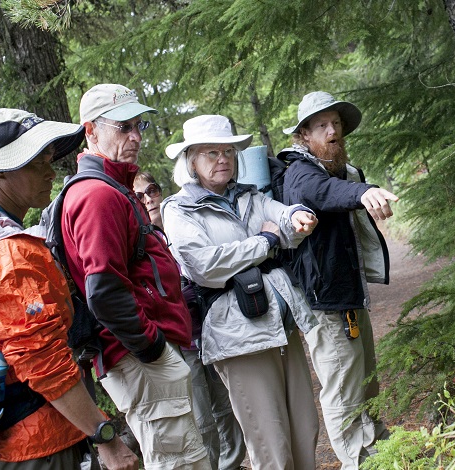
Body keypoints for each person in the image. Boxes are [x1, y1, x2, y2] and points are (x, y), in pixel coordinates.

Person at [0, 108, 139, 469]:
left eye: (49, 159)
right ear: (1, 170)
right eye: (37, 161)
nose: (50, 171)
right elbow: (44, 363)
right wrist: (104, 436)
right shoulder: (8, 255)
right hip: (33, 443)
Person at [63, 84, 210, 469]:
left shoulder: (114, 188)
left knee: (183, 454)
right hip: (138, 357)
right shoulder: (97, 196)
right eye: (124, 126)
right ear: (91, 130)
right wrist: (153, 349)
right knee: (181, 461)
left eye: (139, 125)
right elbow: (105, 290)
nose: (136, 136)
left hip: (140, 354)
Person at [161, 114, 320, 470]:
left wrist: (298, 216)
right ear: (191, 162)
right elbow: (204, 265)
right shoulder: (178, 209)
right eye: (211, 153)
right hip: (237, 334)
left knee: (305, 426)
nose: (223, 159)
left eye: (228, 152)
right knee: (270, 442)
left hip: (282, 324)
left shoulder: (250, 196)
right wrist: (264, 241)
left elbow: (283, 217)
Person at [278, 91, 398, 469]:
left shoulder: (342, 169)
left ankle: (379, 446)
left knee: (365, 377)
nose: (333, 131)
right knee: (343, 385)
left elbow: (338, 189)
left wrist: (361, 188)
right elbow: (322, 193)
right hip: (323, 303)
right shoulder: (299, 172)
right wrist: (364, 192)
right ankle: (358, 461)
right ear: (303, 136)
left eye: (337, 124)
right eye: (322, 126)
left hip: (348, 295)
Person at [133, 171, 247, 470]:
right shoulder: (139, 241)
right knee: (201, 419)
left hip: (211, 329)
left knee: (228, 408)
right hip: (179, 342)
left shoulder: (182, 221)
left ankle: (232, 464)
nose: (148, 199)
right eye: (139, 196)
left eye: (152, 190)